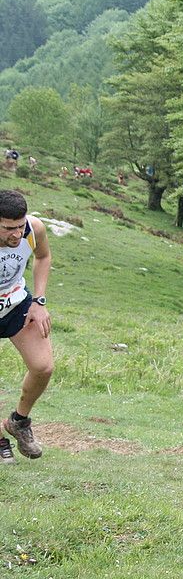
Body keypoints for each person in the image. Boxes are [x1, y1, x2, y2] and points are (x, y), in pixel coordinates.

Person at [0, 189, 54, 463]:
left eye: (20, 226)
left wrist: (39, 302)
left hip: (16, 304)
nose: (17, 234)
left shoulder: (34, 229)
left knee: (43, 366)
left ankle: (18, 421)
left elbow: (43, 258)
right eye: (9, 228)